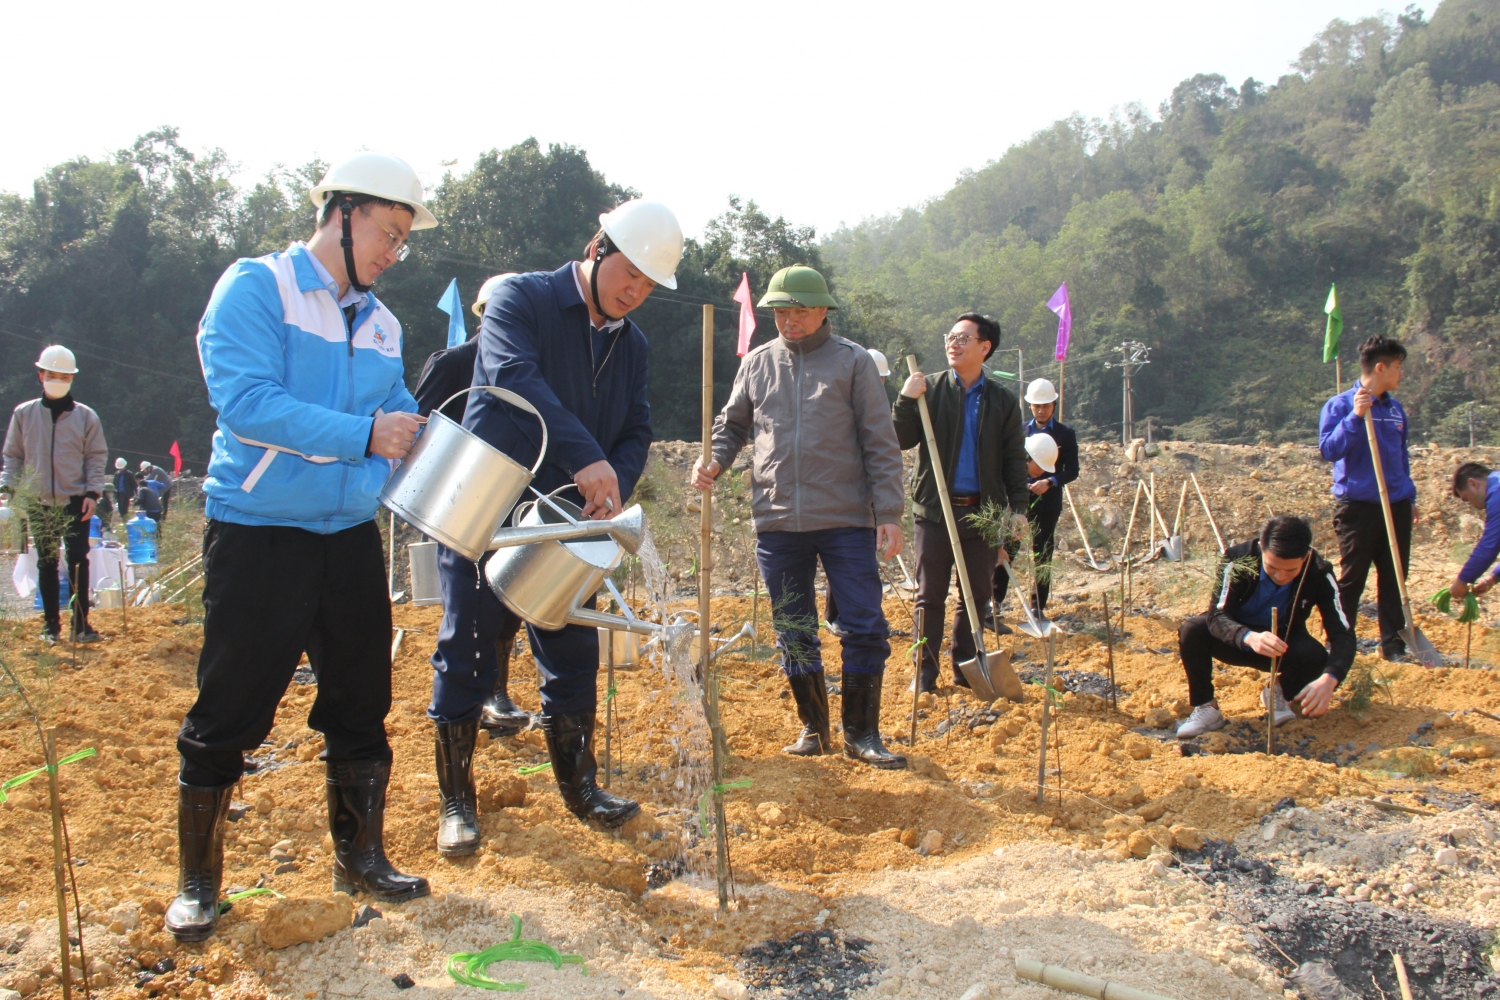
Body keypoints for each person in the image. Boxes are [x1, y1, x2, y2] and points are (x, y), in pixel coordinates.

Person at [169, 153, 434, 942]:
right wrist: (364, 435)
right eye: (388, 233)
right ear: (342, 213)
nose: (394, 252)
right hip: (260, 531)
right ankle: (199, 882)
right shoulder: (259, 287)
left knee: (361, 697)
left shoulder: (382, 323)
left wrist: (422, 444)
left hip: (346, 535)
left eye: (404, 240)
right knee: (232, 703)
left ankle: (361, 857)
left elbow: (400, 412)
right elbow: (248, 404)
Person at [429, 200, 681, 854]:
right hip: (490, 503)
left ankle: (580, 787)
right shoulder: (521, 299)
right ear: (598, 249)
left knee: (571, 650)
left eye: (650, 284)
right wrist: (585, 457)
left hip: (570, 518)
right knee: (469, 647)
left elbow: (637, 427)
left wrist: (614, 482)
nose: (636, 291)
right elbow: (513, 376)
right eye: (630, 273)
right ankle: (457, 803)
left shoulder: (631, 344)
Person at [694, 265, 908, 768]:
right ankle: (814, 727)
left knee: (864, 623)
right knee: (792, 626)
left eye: (801, 312)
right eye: (781, 313)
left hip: (845, 519)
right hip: (777, 520)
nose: (790, 321)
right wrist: (715, 461)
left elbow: (880, 441)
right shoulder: (757, 363)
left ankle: (861, 733)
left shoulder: (852, 362)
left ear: (823, 310)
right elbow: (732, 426)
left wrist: (889, 512)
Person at [410, 273, 530, 736]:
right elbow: (420, 429)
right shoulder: (454, 363)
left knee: (507, 599)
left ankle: (496, 691)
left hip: (514, 503)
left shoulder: (530, 369)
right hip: (461, 504)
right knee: (466, 609)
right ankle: (462, 701)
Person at [892, 314, 1028, 693]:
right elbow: (900, 439)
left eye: (963, 338)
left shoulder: (1002, 401)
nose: (953, 343)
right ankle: (924, 674)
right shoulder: (929, 390)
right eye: (950, 337)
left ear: (985, 347)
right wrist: (905, 399)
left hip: (983, 513)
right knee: (929, 595)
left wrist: (1018, 508)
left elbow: (1014, 459)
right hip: (935, 510)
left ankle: (965, 671)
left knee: (976, 596)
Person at [1176, 515, 1354, 738]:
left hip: (1281, 645)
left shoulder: (1319, 572)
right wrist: (1248, 636)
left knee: (1316, 657)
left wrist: (1331, 678)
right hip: (1237, 639)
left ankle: (1278, 692)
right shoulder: (1239, 560)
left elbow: (1343, 633)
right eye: (1272, 567)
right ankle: (1206, 707)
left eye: (1291, 571)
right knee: (1192, 630)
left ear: (1306, 557)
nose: (1281, 576)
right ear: (1262, 548)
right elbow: (1217, 614)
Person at [0, 345, 108, 643]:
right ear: (40, 375)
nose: (57, 381)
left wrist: (92, 493)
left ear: (72, 378)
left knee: (78, 560)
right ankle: (50, 627)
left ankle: (81, 624)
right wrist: (10, 487)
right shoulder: (24, 414)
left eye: (64, 376)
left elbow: (95, 457)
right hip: (39, 501)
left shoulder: (86, 417)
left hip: (76, 500)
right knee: (46, 562)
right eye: (52, 375)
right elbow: (13, 455)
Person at [1318, 335, 1414, 661]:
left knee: (1395, 577)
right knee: (1352, 579)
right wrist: (1356, 417)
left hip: (1396, 505)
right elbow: (1329, 450)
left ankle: (1393, 646)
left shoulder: (1395, 409)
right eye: (1398, 366)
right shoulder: (1340, 405)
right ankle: (1340, 644)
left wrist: (1410, 497)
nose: (1401, 373)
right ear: (1380, 368)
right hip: (1358, 508)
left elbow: (1402, 457)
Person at [992, 378, 1079, 620]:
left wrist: (1050, 482)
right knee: (1008, 547)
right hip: (1018, 500)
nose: (1041, 410)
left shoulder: (1065, 435)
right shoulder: (1019, 431)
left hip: (1048, 502)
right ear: (1030, 406)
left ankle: (1038, 605)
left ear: (1054, 405)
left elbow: (1072, 470)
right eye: (1036, 406)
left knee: (1042, 552)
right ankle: (995, 600)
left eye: (1045, 406)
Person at [825, 346, 893, 638]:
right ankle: (837, 616)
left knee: (859, 562)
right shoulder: (843, 405)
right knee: (842, 559)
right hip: (845, 495)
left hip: (868, 492)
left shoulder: (879, 407)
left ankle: (860, 616)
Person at [1449, 462, 1500, 601]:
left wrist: (1463, 580)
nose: (1472, 505)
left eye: (1467, 498)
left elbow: (1489, 545)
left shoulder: (1497, 495)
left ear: (1473, 484)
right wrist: (1493, 577)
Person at [114, 457, 137, 521]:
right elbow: (114, 484)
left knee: (124, 509)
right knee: (120, 509)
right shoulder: (117, 474)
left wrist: (137, 493)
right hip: (119, 494)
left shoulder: (129, 474)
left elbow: (134, 484)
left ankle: (126, 520)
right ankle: (124, 520)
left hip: (126, 494)